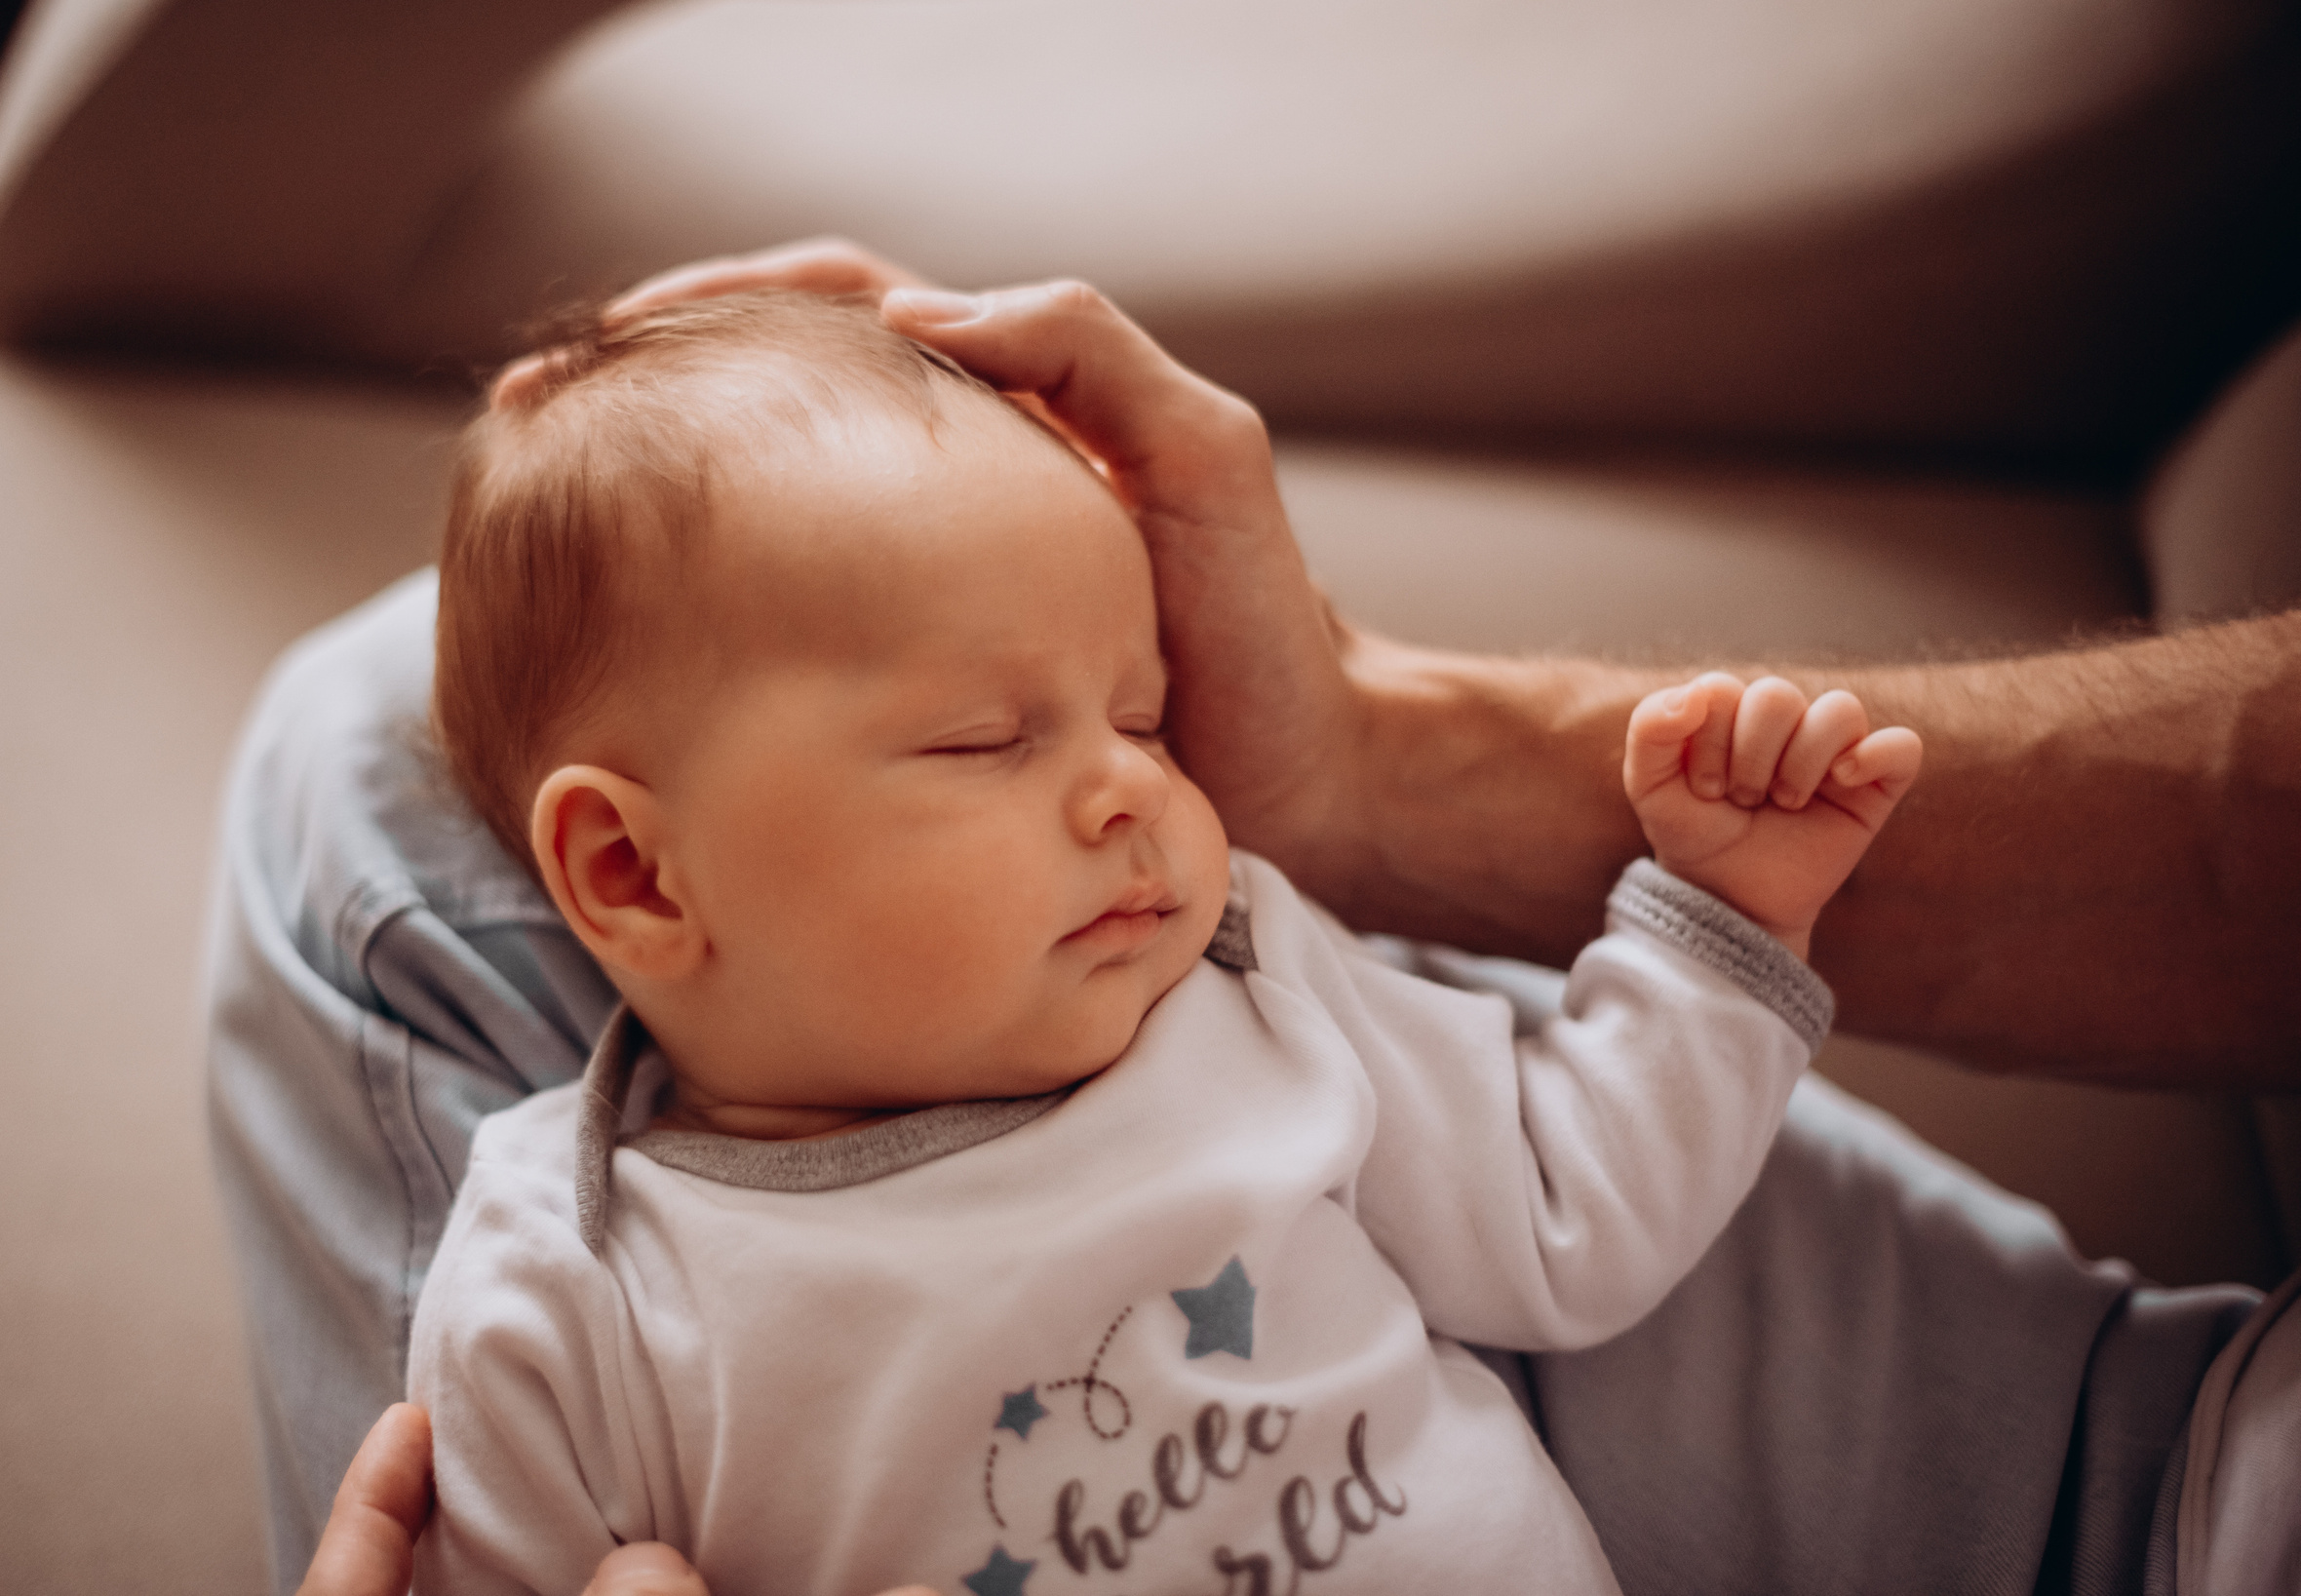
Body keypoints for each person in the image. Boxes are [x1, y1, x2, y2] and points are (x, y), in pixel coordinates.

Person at [245, 243, 2292, 1596]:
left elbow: (1569, 1219)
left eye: (1142, 712)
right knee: (392, 707)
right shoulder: (563, 1283)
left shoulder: (1242, 987)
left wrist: (1719, 925)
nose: (1135, 788)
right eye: (985, 739)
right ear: (629, 875)